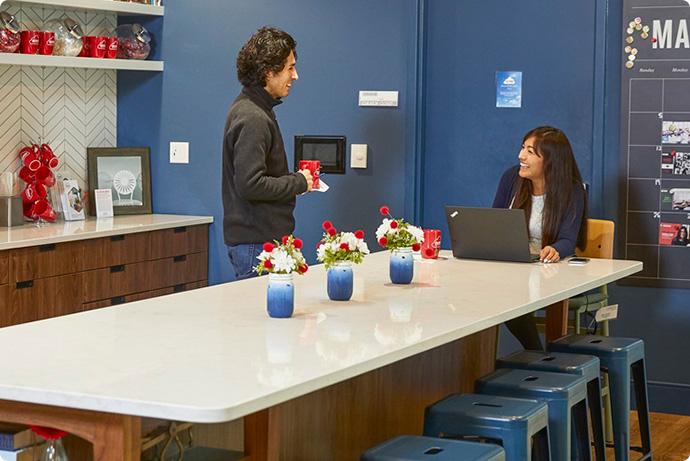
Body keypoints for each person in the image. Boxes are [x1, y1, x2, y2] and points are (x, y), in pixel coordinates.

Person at [222, 27, 313, 280]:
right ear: (268, 72)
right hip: (257, 244)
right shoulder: (253, 117)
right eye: (289, 68)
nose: (295, 76)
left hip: (259, 241)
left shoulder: (253, 109)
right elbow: (250, 184)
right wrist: (299, 182)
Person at [493, 126, 588, 350]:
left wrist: (556, 249)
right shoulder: (511, 178)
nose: (521, 156)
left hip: (550, 273)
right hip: (515, 268)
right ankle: (530, 356)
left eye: (530, 152)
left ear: (550, 161)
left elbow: (568, 239)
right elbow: (495, 221)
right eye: (522, 148)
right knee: (487, 292)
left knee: (508, 296)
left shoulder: (573, 191)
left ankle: (535, 354)